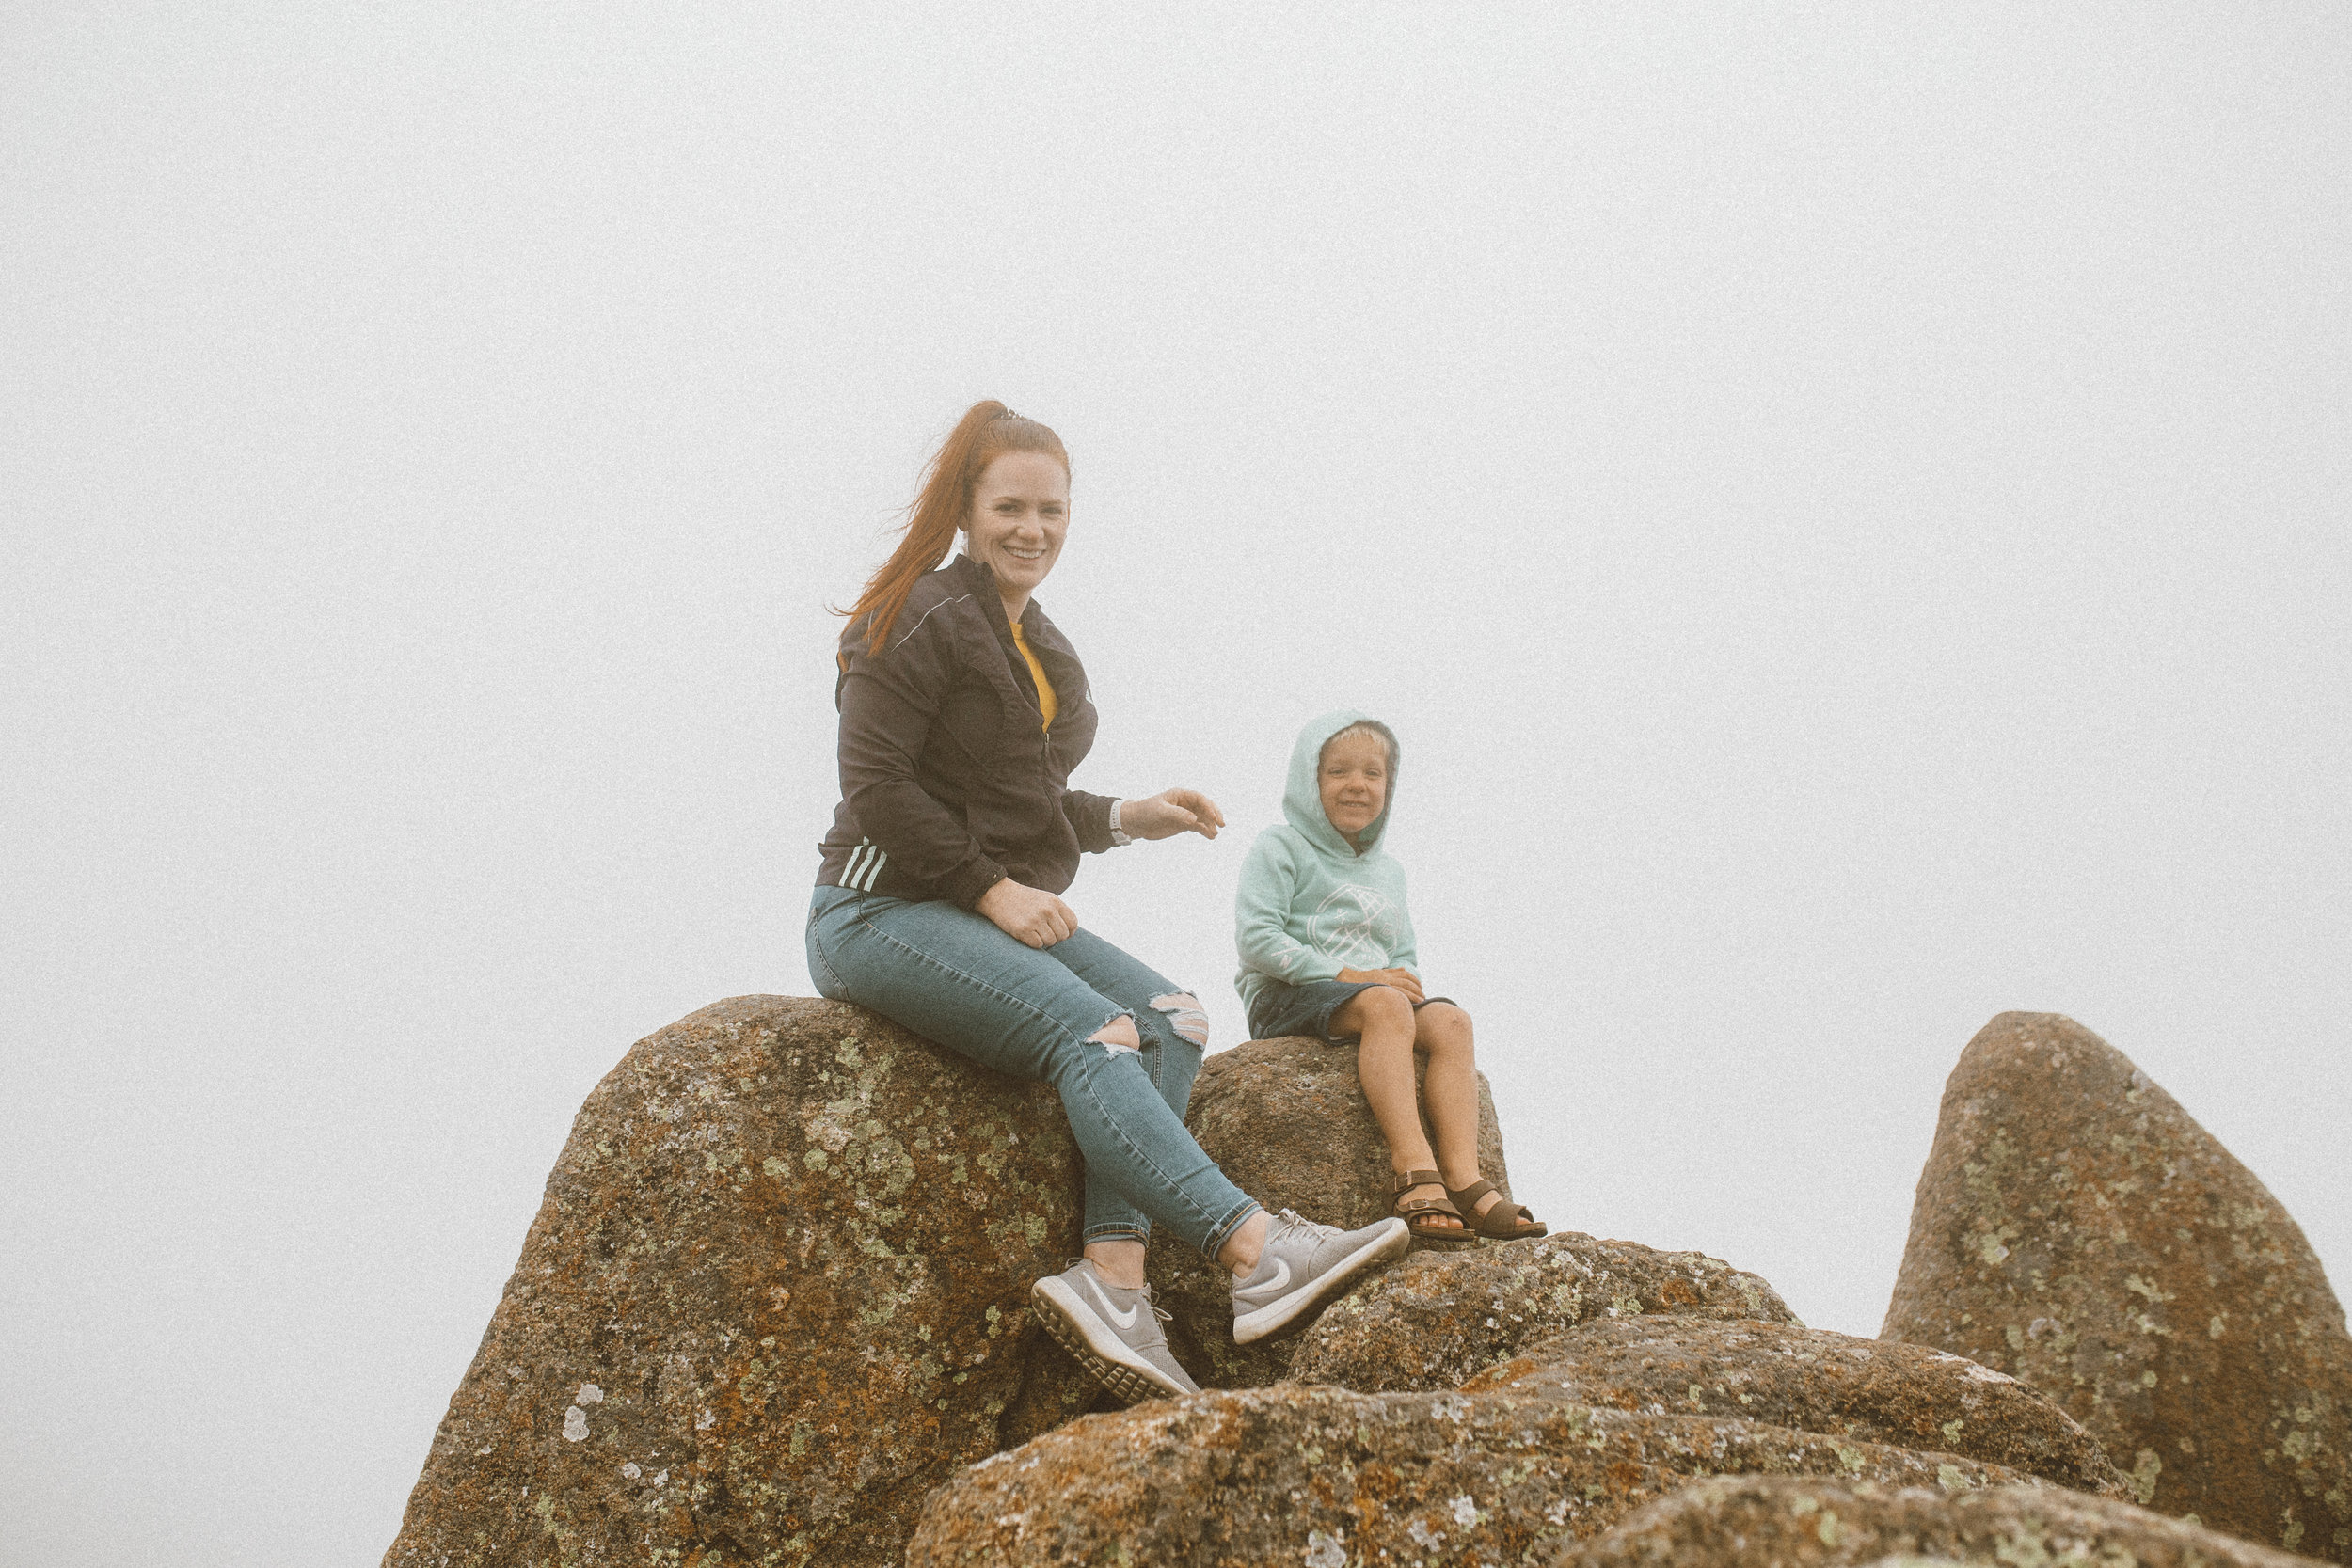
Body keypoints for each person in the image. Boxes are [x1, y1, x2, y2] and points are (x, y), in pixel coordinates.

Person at [804, 402, 1407, 1405]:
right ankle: (1253, 1247)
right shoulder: (914, 614)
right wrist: (990, 891)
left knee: (1172, 1018)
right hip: (875, 912)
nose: (1031, 529)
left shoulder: (1029, 638)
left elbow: (1017, 802)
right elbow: (877, 787)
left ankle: (1114, 1277)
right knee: (1096, 1031)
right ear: (966, 507)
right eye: (1009, 506)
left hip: (958, 902)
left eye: (1050, 509)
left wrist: (1128, 816)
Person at [1233, 710, 1547, 1243]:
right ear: (1309, 781)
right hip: (1287, 996)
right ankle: (1412, 1167)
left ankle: (1463, 1179)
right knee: (1385, 1005)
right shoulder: (1279, 846)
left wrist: (1399, 984)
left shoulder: (1389, 872)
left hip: (1371, 993)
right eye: (1338, 772)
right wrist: (1352, 974)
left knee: (1451, 1022)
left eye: (1372, 774)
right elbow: (1258, 939)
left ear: (1388, 785)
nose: (1357, 784)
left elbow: (1402, 957)